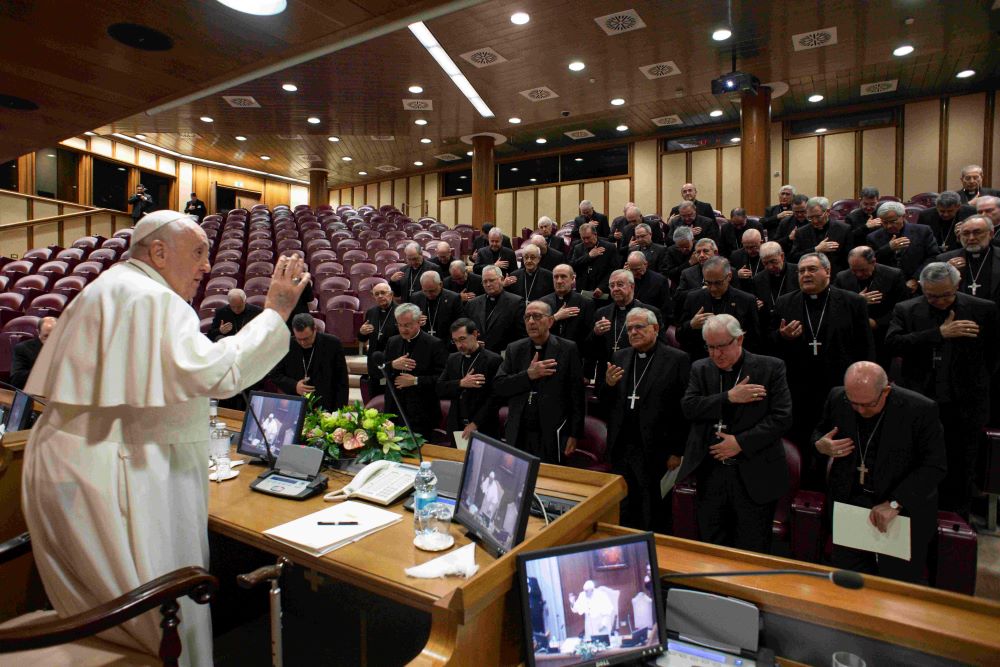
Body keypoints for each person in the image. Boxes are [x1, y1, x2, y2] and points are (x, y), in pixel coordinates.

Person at [22, 210, 309, 666]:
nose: (205, 267)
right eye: (197, 253)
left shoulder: (106, 288)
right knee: (160, 609)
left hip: (77, 461)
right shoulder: (151, 298)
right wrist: (274, 312)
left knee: (101, 611)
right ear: (158, 251)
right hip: (125, 471)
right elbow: (221, 374)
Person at [813, 362, 947, 583]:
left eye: (868, 404)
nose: (860, 410)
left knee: (895, 589)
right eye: (853, 403)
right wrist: (821, 445)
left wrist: (895, 503)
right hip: (851, 506)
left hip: (900, 512)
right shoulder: (838, 397)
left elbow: (935, 465)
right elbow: (820, 431)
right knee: (849, 584)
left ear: (886, 390)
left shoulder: (920, 409)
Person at [885, 262, 999, 516]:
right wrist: (938, 333)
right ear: (923, 289)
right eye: (933, 296)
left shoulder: (983, 309)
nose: (941, 301)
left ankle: (955, 519)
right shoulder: (906, 309)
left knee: (961, 465)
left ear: (957, 286)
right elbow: (893, 344)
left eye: (947, 294)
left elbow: (993, 356)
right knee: (917, 461)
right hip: (920, 400)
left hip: (965, 404)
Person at [678, 314, 793, 553]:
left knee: (751, 547)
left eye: (721, 346)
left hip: (754, 472)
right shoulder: (700, 368)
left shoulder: (771, 367)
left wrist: (740, 443)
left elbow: (782, 418)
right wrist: (728, 397)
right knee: (712, 544)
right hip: (711, 474)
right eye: (710, 347)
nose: (716, 354)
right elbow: (689, 408)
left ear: (739, 339)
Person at [770, 253, 874, 481]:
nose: (805, 274)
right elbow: (769, 347)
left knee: (841, 442)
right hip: (799, 389)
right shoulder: (785, 302)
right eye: (801, 271)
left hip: (839, 388)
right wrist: (782, 336)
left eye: (812, 269)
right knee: (803, 442)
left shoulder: (852, 302)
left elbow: (866, 349)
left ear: (828, 272)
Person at [603, 308, 690, 531]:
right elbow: (610, 404)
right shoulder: (620, 356)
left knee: (652, 507)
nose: (633, 332)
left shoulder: (676, 359)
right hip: (623, 445)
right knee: (624, 503)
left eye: (639, 327)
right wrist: (609, 386)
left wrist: (677, 450)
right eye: (629, 328)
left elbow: (683, 409)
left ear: (655, 328)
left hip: (656, 448)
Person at [494, 301, 584, 464]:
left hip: (551, 431)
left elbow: (577, 395)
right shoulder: (514, 349)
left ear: (550, 321)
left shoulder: (567, 349)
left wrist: (574, 434)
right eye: (527, 317)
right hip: (519, 430)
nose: (531, 322)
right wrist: (528, 375)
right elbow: (500, 386)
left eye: (536, 316)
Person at [833, 246, 908, 371]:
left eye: (862, 270)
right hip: (852, 337)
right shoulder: (842, 277)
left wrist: (877, 323)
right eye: (854, 270)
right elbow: (834, 306)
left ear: (873, 262)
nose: (858, 274)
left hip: (882, 336)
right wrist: (857, 300)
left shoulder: (894, 275)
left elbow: (901, 308)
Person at [382, 303, 449, 440]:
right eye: (400, 325)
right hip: (395, 408)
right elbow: (381, 370)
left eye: (407, 325)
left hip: (422, 411)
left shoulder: (434, 344)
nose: (403, 329)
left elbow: (442, 379)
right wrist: (392, 365)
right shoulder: (392, 342)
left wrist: (415, 380)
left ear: (419, 322)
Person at [677, 256, 759, 360]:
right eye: (708, 283)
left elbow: (755, 340)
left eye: (718, 283)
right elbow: (679, 336)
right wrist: (691, 325)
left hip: (734, 360)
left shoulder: (746, 300)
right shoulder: (693, 298)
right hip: (702, 360)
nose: (713, 288)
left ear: (729, 276)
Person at [436, 318, 503, 440]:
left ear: (475, 334)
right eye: (455, 341)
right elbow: (439, 388)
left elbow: (495, 397)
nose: (459, 345)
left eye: (462, 339)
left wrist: (475, 423)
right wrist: (461, 383)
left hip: (484, 426)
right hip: (456, 425)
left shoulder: (493, 360)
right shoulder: (453, 359)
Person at [270, 313, 349, 412]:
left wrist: (340, 411)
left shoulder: (333, 344)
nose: (303, 343)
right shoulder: (286, 345)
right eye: (299, 339)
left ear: (314, 329)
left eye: (306, 338)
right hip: (296, 406)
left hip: (326, 405)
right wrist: (294, 386)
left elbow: (342, 381)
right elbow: (275, 375)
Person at [866, 200, 940, 293]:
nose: (889, 226)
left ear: (903, 216)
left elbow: (932, 257)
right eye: (884, 222)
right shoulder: (873, 237)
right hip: (888, 288)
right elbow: (871, 262)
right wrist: (888, 248)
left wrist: (916, 279)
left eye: (893, 221)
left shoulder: (922, 231)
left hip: (919, 285)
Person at [937, 215, 1000, 304]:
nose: (971, 238)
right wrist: (946, 273)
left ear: (991, 234)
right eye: (966, 233)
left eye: (977, 232)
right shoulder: (944, 259)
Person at [465, 265, 525, 353]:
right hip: (479, 354)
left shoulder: (516, 302)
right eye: (485, 282)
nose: (488, 284)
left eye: (491, 280)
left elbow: (521, 335)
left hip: (505, 354)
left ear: (501, 279)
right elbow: (467, 330)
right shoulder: (472, 303)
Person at [790, 196, 852, 275]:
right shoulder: (801, 232)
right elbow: (793, 258)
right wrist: (816, 249)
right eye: (810, 217)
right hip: (810, 276)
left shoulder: (844, 229)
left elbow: (849, 259)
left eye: (818, 217)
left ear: (828, 212)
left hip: (836, 276)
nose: (815, 221)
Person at [540, 263, 595, 351]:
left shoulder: (586, 303)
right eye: (556, 277)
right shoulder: (542, 302)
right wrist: (555, 317)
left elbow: (589, 335)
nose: (559, 281)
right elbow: (539, 330)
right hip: (548, 351)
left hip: (576, 353)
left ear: (573, 279)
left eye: (563, 276)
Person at [357, 281, 397, 397]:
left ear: (391, 294)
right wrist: (361, 332)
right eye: (377, 294)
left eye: (383, 293)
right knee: (374, 396)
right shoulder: (371, 312)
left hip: (392, 361)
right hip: (374, 363)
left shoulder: (399, 312)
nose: (380, 296)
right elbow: (362, 338)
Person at [410, 271, 464, 347]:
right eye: (425, 291)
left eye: (432, 291)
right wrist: (416, 322)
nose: (429, 294)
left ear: (440, 284)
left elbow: (460, 323)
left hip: (446, 344)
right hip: (423, 344)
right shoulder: (415, 298)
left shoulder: (454, 298)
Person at [753, 242, 797, 331]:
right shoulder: (758, 279)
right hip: (770, 328)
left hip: (793, 323)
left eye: (773, 261)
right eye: (765, 263)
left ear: (782, 256)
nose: (770, 267)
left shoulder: (798, 272)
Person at [569, 222, 618, 299]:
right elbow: (572, 266)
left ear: (595, 235)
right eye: (583, 238)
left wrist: (602, 287)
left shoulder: (609, 247)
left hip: (603, 291)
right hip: (583, 291)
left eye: (588, 238)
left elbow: (613, 270)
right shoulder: (578, 248)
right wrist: (588, 256)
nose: (586, 241)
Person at [9, 316, 57, 389]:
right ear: (38, 332)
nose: (50, 340)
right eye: (46, 336)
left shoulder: (65, 349)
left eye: (54, 336)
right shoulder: (23, 348)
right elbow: (16, 380)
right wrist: (41, 368)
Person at [673, 238, 719, 313]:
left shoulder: (727, 270)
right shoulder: (687, 273)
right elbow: (679, 296)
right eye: (698, 252)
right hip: (697, 313)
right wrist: (701, 289)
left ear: (715, 252)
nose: (701, 255)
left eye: (705, 251)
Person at [728, 227, 763, 293]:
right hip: (743, 293)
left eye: (753, 247)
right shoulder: (735, 255)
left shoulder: (768, 254)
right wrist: (736, 274)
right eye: (746, 247)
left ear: (761, 242)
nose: (749, 251)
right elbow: (726, 275)